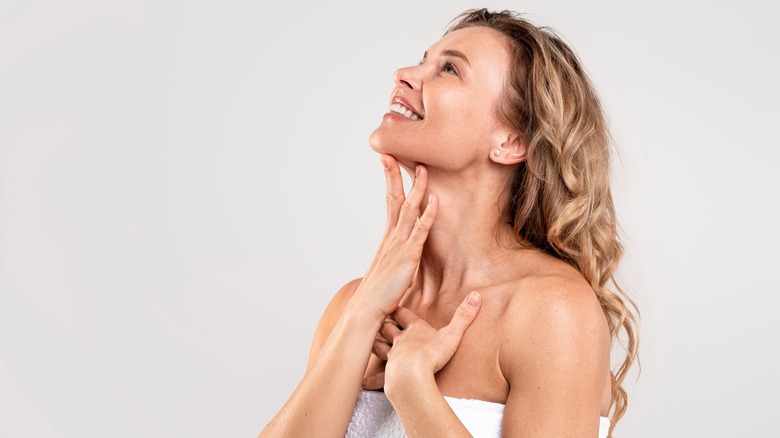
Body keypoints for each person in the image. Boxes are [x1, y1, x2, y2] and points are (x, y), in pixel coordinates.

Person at [259, 8, 639, 438]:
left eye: (450, 69)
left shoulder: (550, 310)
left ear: (511, 142)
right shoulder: (353, 306)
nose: (404, 74)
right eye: (423, 59)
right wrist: (362, 314)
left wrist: (414, 389)